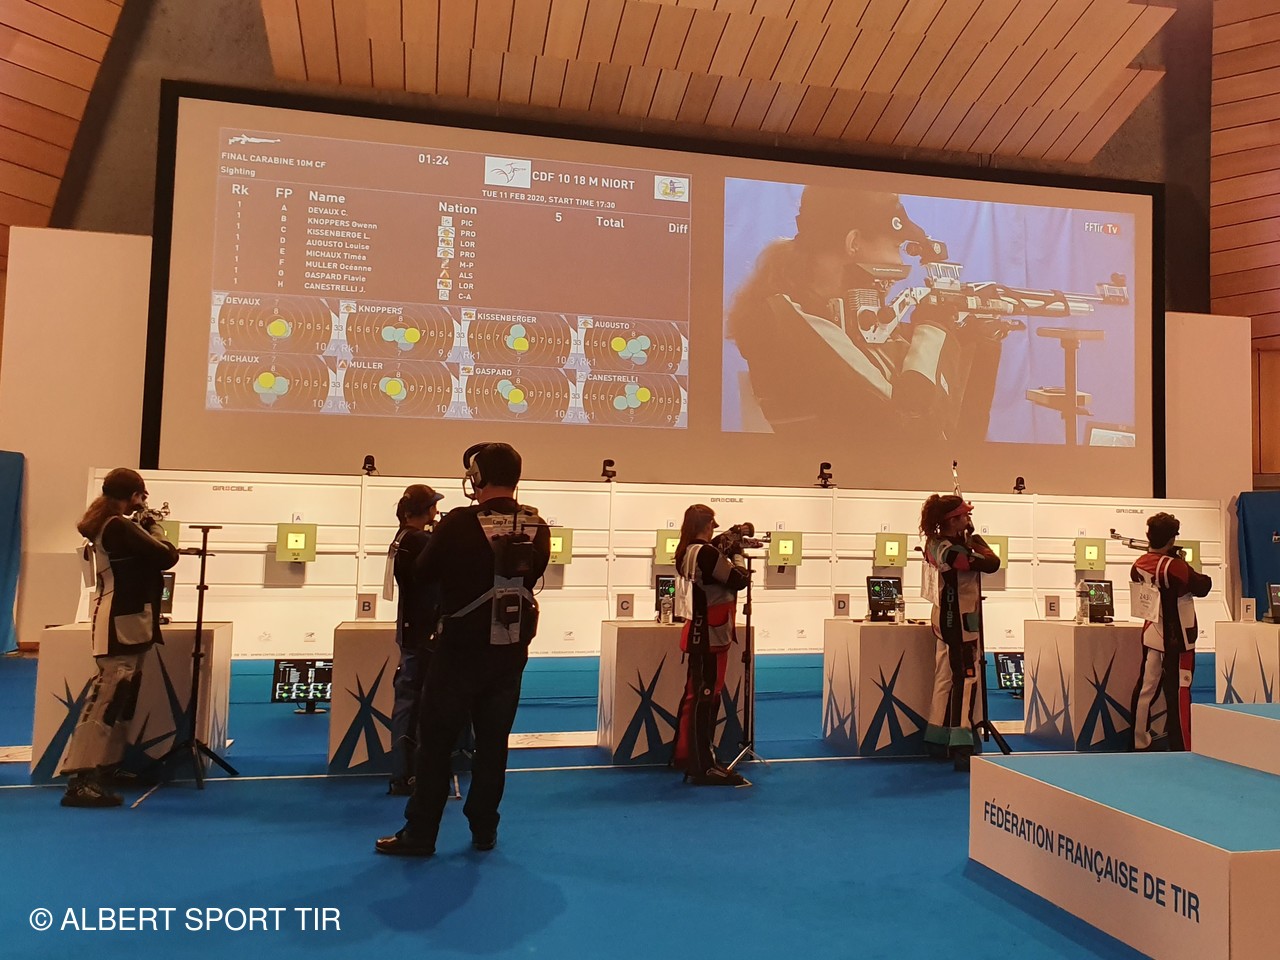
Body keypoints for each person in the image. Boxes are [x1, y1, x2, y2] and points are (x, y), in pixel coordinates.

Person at [727, 186, 1003, 447]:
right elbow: (911, 423)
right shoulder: (781, 318)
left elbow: (950, 435)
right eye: (897, 247)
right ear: (854, 242)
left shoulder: (849, 323)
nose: (900, 263)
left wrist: (971, 345)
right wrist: (933, 328)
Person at [376, 442, 549, 856]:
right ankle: (484, 828)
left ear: (477, 477)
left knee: (435, 744)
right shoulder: (537, 525)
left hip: (457, 652)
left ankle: (421, 832)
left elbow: (423, 572)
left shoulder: (458, 522)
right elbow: (535, 573)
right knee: (493, 744)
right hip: (509, 650)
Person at [61, 468, 179, 807]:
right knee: (106, 700)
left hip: (128, 621)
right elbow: (167, 555)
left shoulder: (114, 524)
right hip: (118, 624)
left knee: (122, 700)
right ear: (133, 496)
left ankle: (107, 766)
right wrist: (154, 525)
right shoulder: (117, 526)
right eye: (140, 496)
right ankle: (81, 778)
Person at [670, 504, 751, 787]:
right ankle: (703, 765)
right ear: (708, 525)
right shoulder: (705, 553)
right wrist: (737, 554)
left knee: (696, 698)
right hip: (711, 635)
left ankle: (691, 756)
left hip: (698, 631)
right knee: (705, 699)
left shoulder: (686, 551)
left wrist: (722, 547)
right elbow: (739, 580)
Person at [920, 494, 1000, 771]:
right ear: (953, 520)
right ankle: (962, 743)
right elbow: (991, 563)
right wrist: (975, 539)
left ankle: (937, 738)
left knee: (945, 677)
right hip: (960, 621)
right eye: (964, 516)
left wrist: (969, 538)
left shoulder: (935, 543)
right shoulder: (951, 550)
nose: (968, 519)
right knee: (966, 680)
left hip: (945, 618)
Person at [1129, 512, 1211, 752]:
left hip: (1153, 632)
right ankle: (1182, 744)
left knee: (1146, 689)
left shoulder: (1139, 564)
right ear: (1172, 538)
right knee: (1180, 693)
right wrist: (1181, 560)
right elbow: (1203, 585)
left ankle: (1138, 741)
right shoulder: (1175, 567)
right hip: (1179, 638)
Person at [384, 483, 444, 795]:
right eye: (432, 506)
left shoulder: (404, 537)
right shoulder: (418, 540)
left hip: (413, 629)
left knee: (410, 700)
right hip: (422, 633)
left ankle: (405, 771)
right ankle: (406, 774)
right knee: (413, 703)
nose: (436, 511)